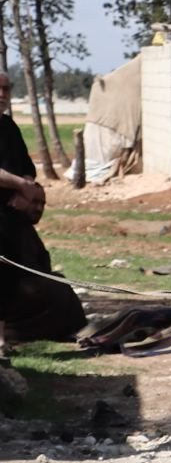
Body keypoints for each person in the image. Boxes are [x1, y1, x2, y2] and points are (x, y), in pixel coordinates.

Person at [0, 73, 86, 355]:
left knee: (12, 280)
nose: (2, 94)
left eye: (6, 89)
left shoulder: (8, 126)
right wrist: (21, 185)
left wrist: (26, 191)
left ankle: (3, 339)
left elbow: (26, 167)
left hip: (11, 222)